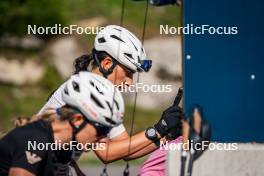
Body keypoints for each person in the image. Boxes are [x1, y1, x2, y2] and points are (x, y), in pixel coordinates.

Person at [23, 25, 182, 174]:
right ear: (107, 64)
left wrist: (166, 135)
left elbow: (126, 149)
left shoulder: (102, 95)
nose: (130, 81)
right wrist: (160, 128)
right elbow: (107, 153)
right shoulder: (85, 91)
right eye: (128, 72)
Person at [0, 72, 125, 176]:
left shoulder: (63, 148)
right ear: (77, 120)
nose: (104, 140)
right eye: (103, 130)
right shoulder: (37, 140)